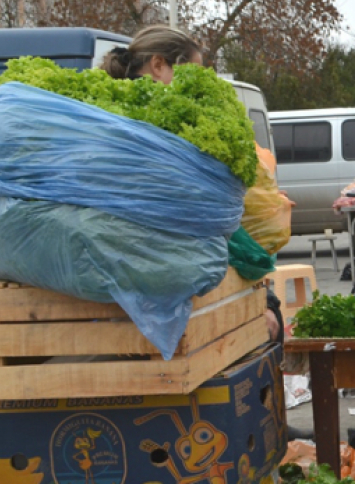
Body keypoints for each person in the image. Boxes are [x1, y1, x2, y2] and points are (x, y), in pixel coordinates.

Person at [102, 25, 285, 343]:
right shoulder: (148, 133)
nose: (202, 88)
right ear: (159, 66)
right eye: (193, 74)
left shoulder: (118, 118)